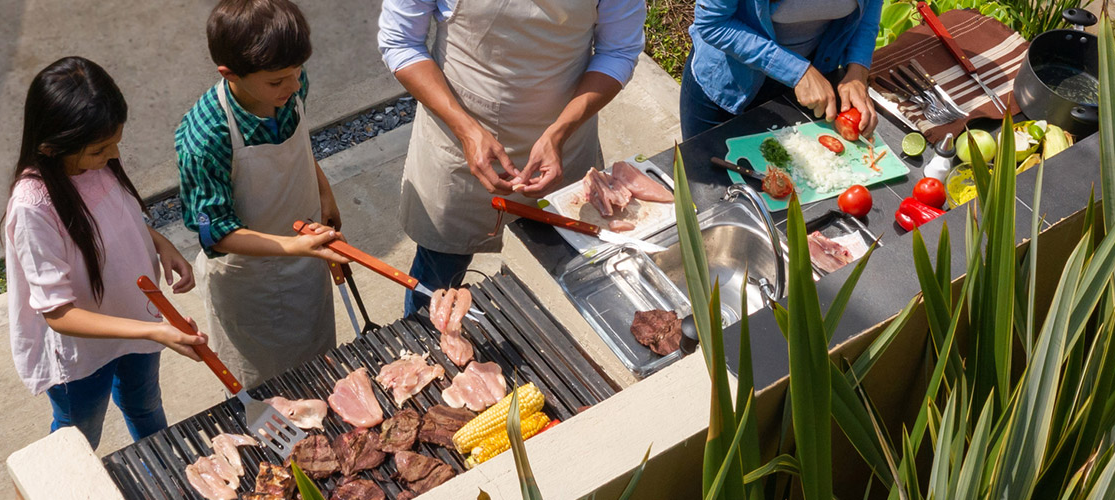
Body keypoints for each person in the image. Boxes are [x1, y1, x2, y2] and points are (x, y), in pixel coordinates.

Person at [377, 0, 646, 313]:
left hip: (565, 144)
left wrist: (559, 131)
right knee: (437, 280)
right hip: (456, 144)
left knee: (553, 278)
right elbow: (401, 42)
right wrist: (466, 131)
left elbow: (618, 51)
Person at [3, 57, 209, 448]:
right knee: (79, 435)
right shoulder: (34, 206)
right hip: (82, 355)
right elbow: (58, 312)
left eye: (116, 142)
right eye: (101, 149)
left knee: (145, 405)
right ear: (50, 147)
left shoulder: (94, 161)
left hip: (139, 321)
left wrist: (159, 244)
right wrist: (155, 330)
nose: (114, 156)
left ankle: (165, 470)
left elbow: (115, 219)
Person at [175, 0, 350, 387]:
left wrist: (324, 192)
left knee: (321, 377)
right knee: (270, 391)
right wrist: (291, 247)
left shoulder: (290, 86)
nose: (292, 85)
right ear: (230, 74)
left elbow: (299, 147)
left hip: (307, 264)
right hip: (249, 284)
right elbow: (215, 233)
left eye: (297, 72)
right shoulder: (205, 136)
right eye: (277, 81)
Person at [680, 0, 883, 139]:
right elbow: (713, 24)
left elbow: (870, 7)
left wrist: (857, 71)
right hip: (729, 85)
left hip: (812, 85)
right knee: (706, 192)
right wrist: (797, 72)